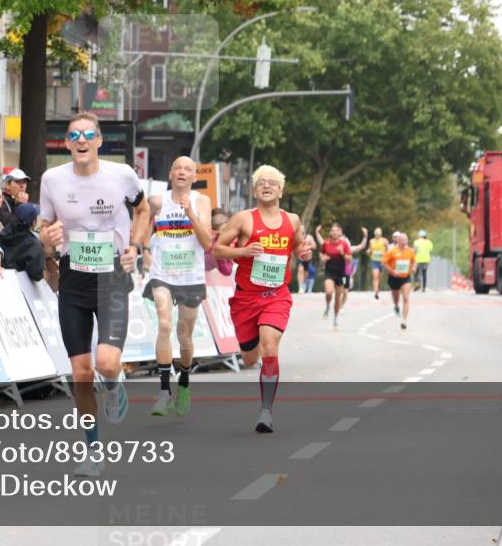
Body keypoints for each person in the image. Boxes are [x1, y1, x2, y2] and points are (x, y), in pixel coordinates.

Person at [38, 112, 150, 476]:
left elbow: (143, 208)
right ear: (67, 143)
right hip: (73, 279)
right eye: (74, 135)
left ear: (99, 141)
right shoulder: (52, 179)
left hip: (112, 276)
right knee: (81, 373)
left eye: (88, 134)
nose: (81, 140)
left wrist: (135, 245)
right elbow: (44, 226)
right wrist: (48, 239)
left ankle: (115, 385)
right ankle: (92, 449)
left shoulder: (121, 175)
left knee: (105, 363)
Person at [212, 165, 311, 433]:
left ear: (281, 190)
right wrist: (243, 252)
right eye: (261, 183)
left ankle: (266, 410)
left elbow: (301, 245)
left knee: (270, 345)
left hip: (276, 296)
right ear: (254, 190)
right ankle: (252, 352)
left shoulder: (292, 220)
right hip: (246, 299)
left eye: (272, 183)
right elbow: (218, 250)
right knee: (248, 358)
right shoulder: (243, 219)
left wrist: (304, 253)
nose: (266, 186)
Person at [143, 156, 212, 418]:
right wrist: (144, 249)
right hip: (162, 273)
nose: (182, 172)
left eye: (188, 169)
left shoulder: (201, 201)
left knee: (184, 337)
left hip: (190, 276)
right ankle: (163, 392)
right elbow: (144, 225)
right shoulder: (157, 201)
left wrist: (190, 214)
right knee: (163, 324)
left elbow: (207, 244)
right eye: (178, 168)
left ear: (194, 177)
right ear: (171, 173)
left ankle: (183, 379)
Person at [0, 202, 46, 281]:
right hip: (17, 286)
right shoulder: (34, 244)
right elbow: (36, 274)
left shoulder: (4, 233)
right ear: (33, 222)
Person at [316, 223, 351, 329]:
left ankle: (335, 319)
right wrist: (323, 258)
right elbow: (321, 254)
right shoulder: (326, 244)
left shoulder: (344, 244)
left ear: (339, 232)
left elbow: (349, 260)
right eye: (332, 230)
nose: (334, 232)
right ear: (330, 233)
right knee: (329, 291)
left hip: (341, 273)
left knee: (337, 298)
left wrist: (342, 254)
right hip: (329, 271)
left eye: (336, 230)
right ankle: (327, 306)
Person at [384, 232, 416, 329]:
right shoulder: (392, 251)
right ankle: (396, 305)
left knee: (406, 298)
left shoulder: (410, 251)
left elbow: (414, 262)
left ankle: (404, 320)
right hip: (394, 277)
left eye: (405, 240)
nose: (404, 242)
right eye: (402, 240)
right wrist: (392, 271)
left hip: (405, 277)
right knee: (396, 297)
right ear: (398, 241)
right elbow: (384, 263)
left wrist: (414, 267)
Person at [340, 227, 368, 307]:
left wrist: (365, 236)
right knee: (340, 289)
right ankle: (337, 305)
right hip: (338, 272)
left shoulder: (350, 249)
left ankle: (341, 305)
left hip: (347, 272)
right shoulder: (336, 249)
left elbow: (362, 246)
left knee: (345, 292)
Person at [368, 227, 389, 300]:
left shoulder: (384, 240)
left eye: (379, 234)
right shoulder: (371, 241)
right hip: (374, 261)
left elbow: (388, 249)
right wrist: (368, 251)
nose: (377, 235)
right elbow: (370, 250)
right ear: (374, 234)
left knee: (380, 277)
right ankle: (376, 292)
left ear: (381, 234)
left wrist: (386, 255)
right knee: (375, 276)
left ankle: (378, 287)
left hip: (382, 261)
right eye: (376, 234)